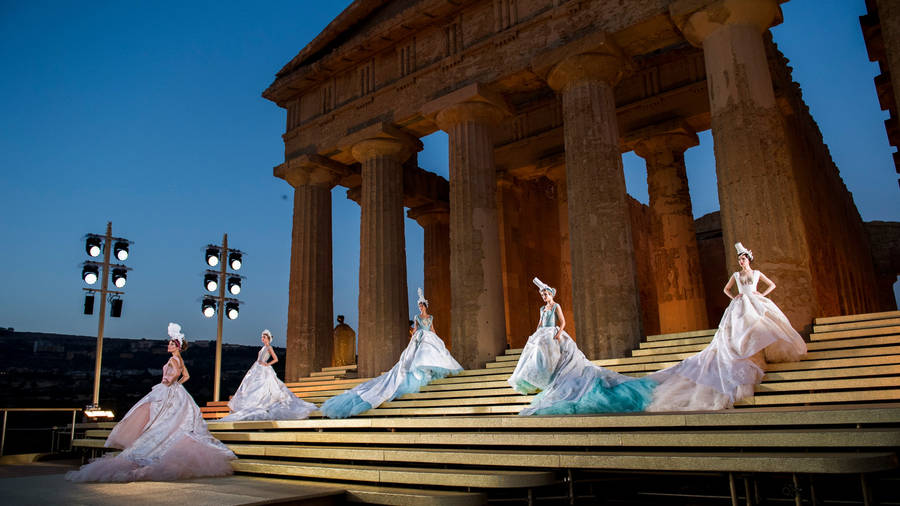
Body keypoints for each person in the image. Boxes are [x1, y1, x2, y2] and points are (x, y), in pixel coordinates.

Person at [643, 242, 808, 411]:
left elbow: (772, 285)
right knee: (741, 330)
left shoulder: (757, 273)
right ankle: (748, 354)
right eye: (740, 259)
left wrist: (761, 294)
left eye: (743, 259)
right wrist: (734, 296)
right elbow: (726, 289)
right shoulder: (736, 275)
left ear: (748, 259)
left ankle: (762, 351)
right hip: (741, 302)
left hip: (755, 301)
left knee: (761, 325)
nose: (741, 261)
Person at [66, 323, 235, 482]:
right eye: (169, 343)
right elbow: (187, 376)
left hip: (167, 389)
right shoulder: (180, 359)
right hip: (174, 390)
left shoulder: (173, 360)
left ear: (177, 346)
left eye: (171, 343)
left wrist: (169, 381)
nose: (168, 345)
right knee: (165, 419)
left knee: (159, 418)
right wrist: (177, 384)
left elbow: (176, 373)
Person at [508, 278, 656, 415]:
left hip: (553, 333)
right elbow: (540, 323)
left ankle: (555, 374)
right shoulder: (542, 309)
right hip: (542, 334)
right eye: (542, 295)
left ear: (551, 294)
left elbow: (563, 322)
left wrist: (558, 334)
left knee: (558, 355)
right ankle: (542, 376)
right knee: (538, 354)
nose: (544, 297)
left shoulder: (556, 306)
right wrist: (536, 333)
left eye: (546, 294)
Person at [320, 288, 463, 418]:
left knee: (431, 354)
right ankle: (420, 373)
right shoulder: (417, 317)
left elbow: (432, 329)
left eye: (421, 305)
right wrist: (414, 338)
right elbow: (415, 330)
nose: (420, 307)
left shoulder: (430, 318)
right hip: (420, 337)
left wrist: (437, 339)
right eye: (419, 305)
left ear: (425, 306)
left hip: (429, 338)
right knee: (418, 357)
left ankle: (430, 371)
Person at [219, 329, 317, 421]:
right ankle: (251, 404)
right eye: (262, 337)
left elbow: (276, 359)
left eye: (264, 337)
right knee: (249, 387)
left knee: (264, 385)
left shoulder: (269, 347)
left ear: (268, 338)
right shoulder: (262, 348)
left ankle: (263, 403)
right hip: (256, 369)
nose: (262, 338)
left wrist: (267, 364)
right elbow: (258, 359)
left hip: (263, 369)